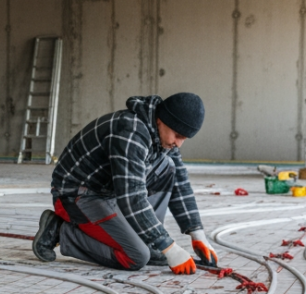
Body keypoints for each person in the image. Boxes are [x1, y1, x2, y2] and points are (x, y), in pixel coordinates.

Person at [31, 92, 218, 274]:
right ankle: (60, 231)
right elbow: (132, 198)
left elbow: (180, 183)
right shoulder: (130, 132)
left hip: (109, 193)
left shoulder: (161, 136)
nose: (178, 143)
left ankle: (149, 239)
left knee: (169, 168)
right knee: (136, 256)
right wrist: (168, 247)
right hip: (76, 196)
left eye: (184, 138)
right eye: (177, 135)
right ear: (161, 120)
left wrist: (196, 232)